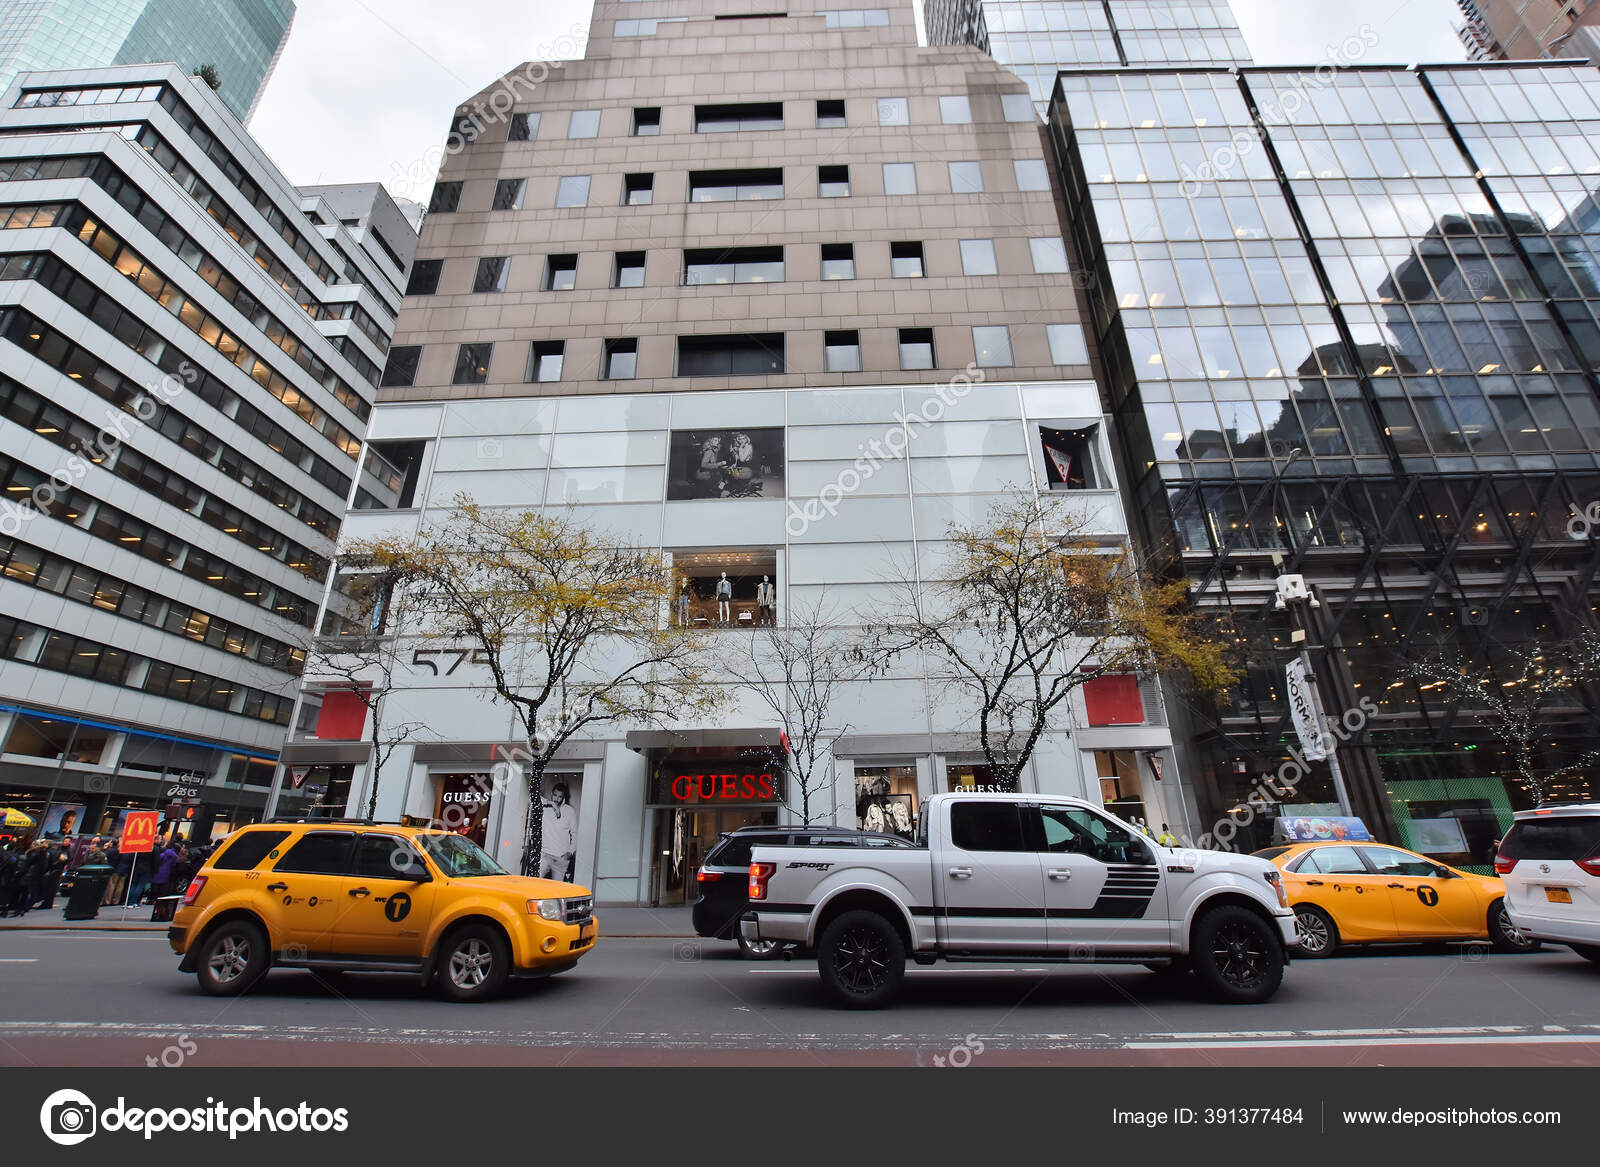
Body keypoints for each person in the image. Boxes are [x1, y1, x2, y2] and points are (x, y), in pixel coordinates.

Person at [539, 783, 577, 882]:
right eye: (555, 795)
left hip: (561, 857)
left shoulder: (570, 811)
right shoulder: (545, 807)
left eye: (560, 796)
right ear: (551, 794)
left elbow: (575, 833)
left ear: (563, 797)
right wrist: (552, 804)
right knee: (536, 883)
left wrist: (570, 852)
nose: (557, 799)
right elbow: (533, 797)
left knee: (558, 888)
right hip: (545, 854)